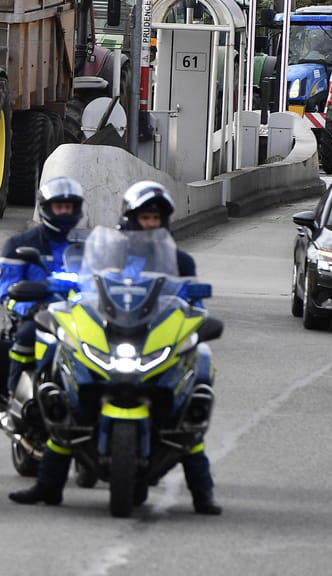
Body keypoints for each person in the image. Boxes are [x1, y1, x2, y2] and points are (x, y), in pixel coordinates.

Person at [11, 179, 221, 515]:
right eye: (145, 217)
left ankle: (203, 495)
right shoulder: (110, 249)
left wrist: (193, 318)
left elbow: (190, 304)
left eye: (156, 218)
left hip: (152, 338)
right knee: (61, 386)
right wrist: (64, 290)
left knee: (193, 398)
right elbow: (89, 285)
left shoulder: (179, 261)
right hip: (115, 333)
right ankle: (46, 481)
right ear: (129, 217)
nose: (150, 224)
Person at [0, 177, 86, 397]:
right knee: (27, 335)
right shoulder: (19, 244)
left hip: (82, 313)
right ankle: (14, 392)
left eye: (69, 207)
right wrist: (30, 304)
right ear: (46, 208)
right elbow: (7, 288)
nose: (64, 212)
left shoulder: (88, 244)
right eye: (59, 207)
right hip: (38, 312)